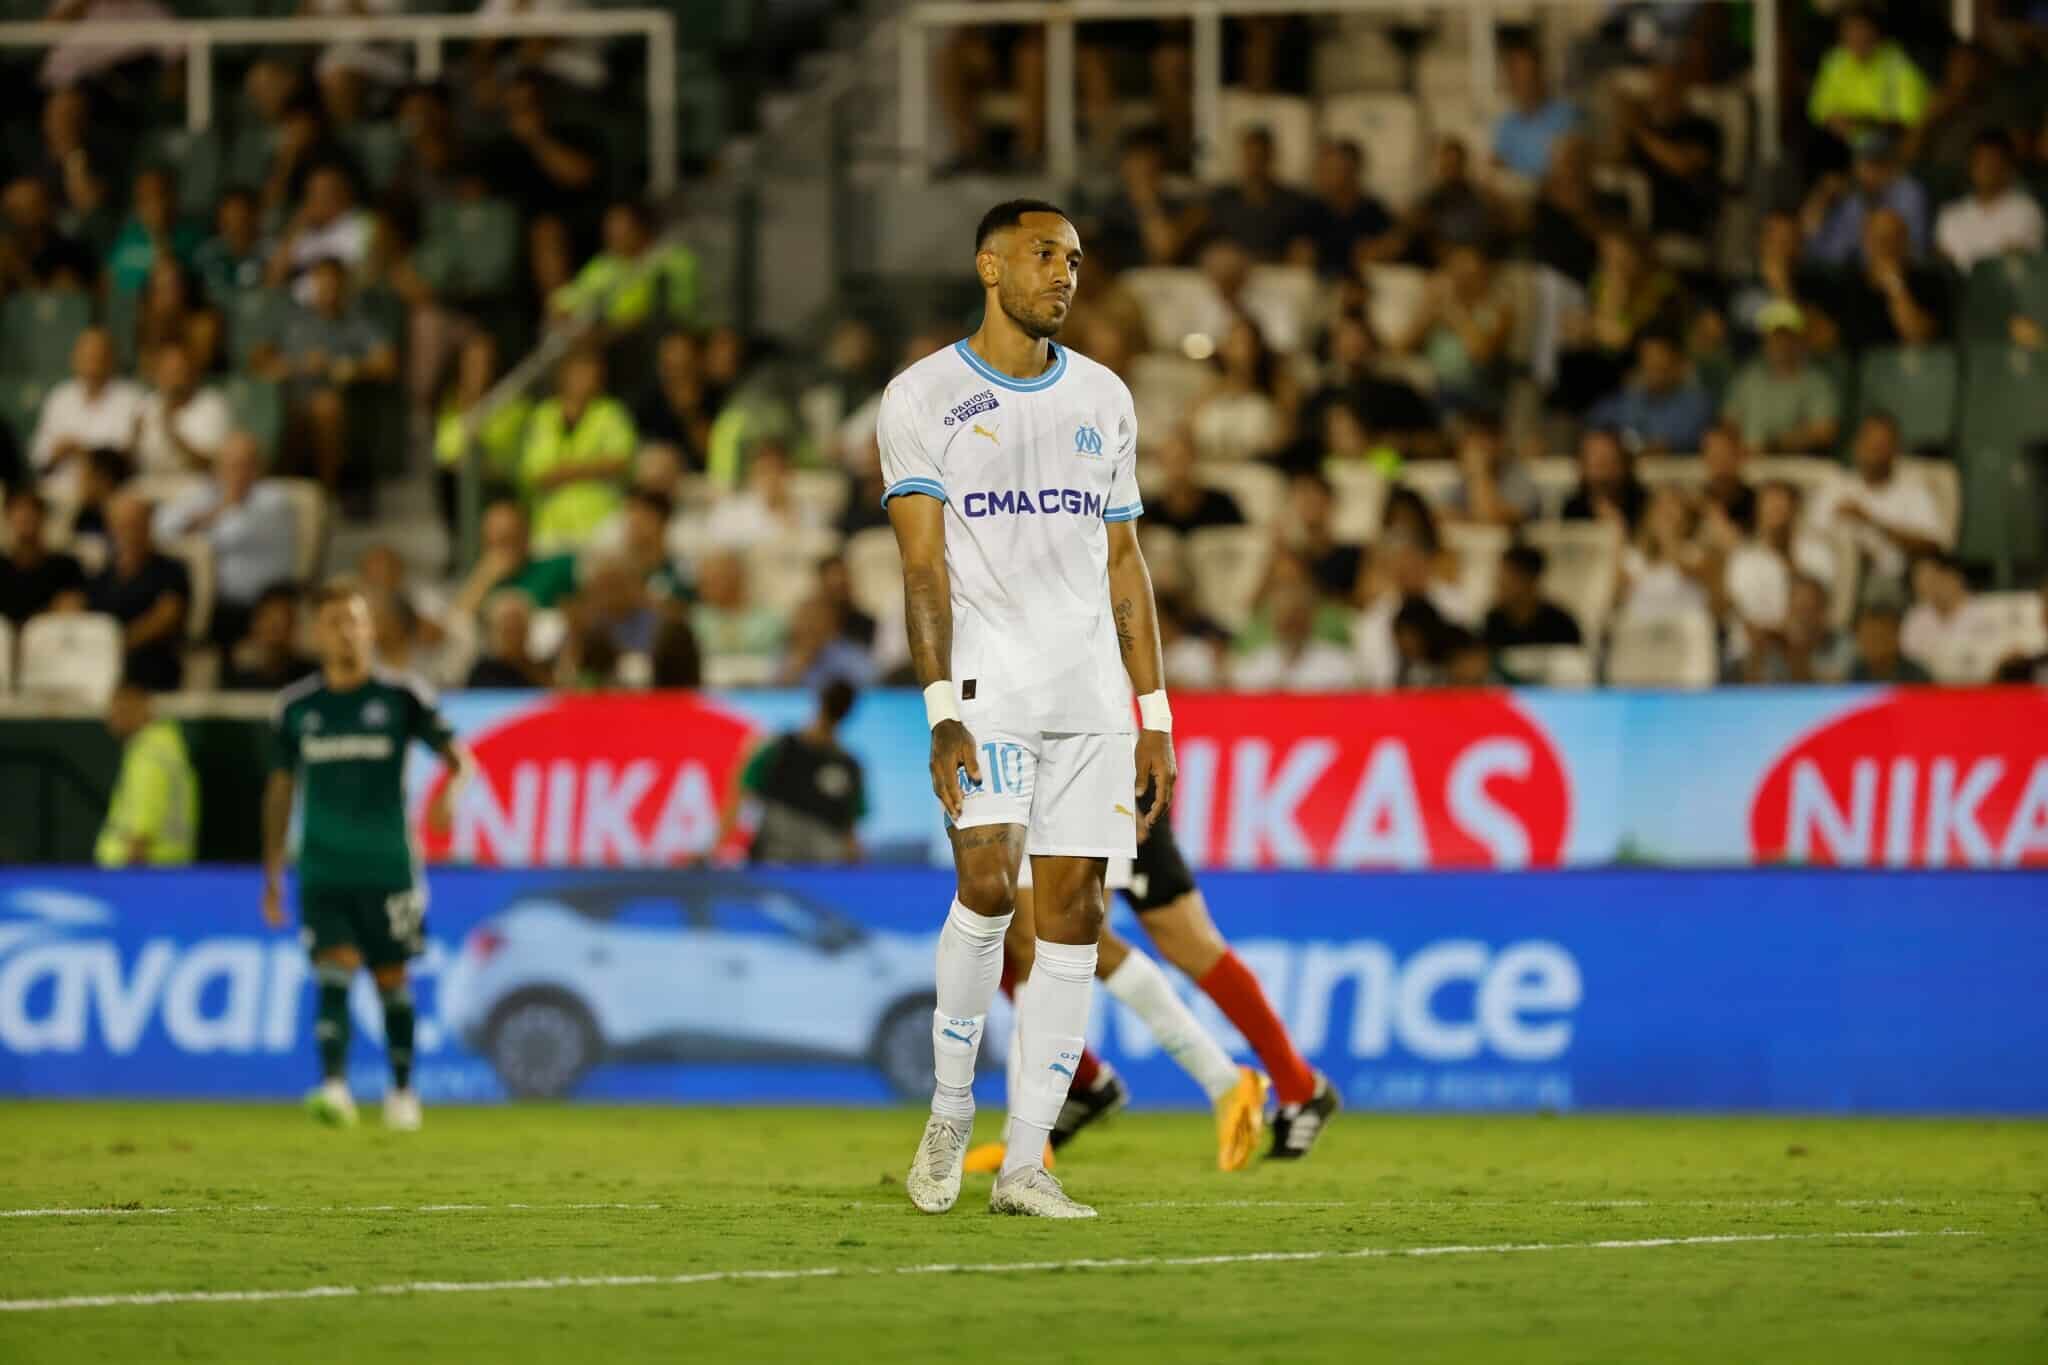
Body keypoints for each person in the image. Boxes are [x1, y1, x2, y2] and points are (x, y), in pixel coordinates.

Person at [883, 199, 1178, 1220]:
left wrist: (1155, 715)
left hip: (1091, 694)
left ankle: (1027, 1165)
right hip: (987, 688)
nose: (1065, 274)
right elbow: (920, 569)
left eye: (1076, 260)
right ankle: (950, 1110)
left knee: (1075, 915)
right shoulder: (921, 397)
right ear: (988, 264)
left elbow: (1124, 563)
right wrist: (938, 710)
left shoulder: (1104, 396)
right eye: (1045, 255)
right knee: (987, 884)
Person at [264, 578, 475, 1131]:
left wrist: (448, 797)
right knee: (333, 971)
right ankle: (334, 1088)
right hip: (323, 865)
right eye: (333, 621)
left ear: (371, 629)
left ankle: (403, 1093)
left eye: (354, 620)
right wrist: (270, 873)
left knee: (390, 977)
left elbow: (460, 758)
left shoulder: (401, 696)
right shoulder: (296, 709)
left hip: (388, 865)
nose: (345, 631)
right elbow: (282, 790)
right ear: (316, 634)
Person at [253, 257, 398, 497]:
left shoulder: (356, 322)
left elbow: (387, 363)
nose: (328, 289)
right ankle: (276, 491)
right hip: (287, 399)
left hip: (335, 404)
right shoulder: (293, 318)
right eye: (322, 282)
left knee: (326, 407)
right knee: (274, 412)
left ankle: (325, 494)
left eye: (334, 282)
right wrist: (298, 365)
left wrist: (347, 366)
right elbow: (258, 359)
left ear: (345, 286)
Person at [153, 431, 298, 647]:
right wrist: (220, 509)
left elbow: (234, 534)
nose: (238, 472)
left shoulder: (273, 500)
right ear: (217, 467)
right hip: (209, 602)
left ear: (259, 467)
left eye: (246, 464)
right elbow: (163, 527)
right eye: (230, 464)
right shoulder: (205, 493)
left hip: (258, 604)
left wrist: (205, 518)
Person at [712, 678, 869, 865]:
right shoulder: (780, 748)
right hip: (774, 863)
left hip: (820, 870)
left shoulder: (849, 766)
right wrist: (714, 850)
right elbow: (740, 797)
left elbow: (849, 832)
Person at [1807, 411, 1947, 592]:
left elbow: (1933, 545)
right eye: (1869, 442)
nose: (1873, 450)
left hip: (1886, 578)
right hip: (1829, 574)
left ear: (1896, 449)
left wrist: (1869, 520)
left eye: (1881, 444)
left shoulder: (1913, 490)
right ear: (1856, 445)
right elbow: (1812, 533)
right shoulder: (1836, 485)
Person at [519, 347, 636, 552]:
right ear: (564, 376)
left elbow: (620, 463)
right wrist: (592, 468)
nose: (588, 378)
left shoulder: (611, 412)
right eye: (580, 372)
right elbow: (536, 474)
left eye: (593, 372)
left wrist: (564, 471)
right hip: (551, 526)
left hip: (601, 521)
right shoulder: (543, 415)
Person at [548, 198, 700, 332]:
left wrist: (626, 322)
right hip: (607, 337)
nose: (612, 233)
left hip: (655, 334)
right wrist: (560, 305)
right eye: (609, 226)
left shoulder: (675, 260)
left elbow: (682, 310)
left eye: (619, 226)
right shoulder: (604, 265)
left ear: (641, 226)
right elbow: (576, 294)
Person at [88, 492, 189, 692]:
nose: (129, 531)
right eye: (122, 525)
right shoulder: (100, 577)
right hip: (102, 669)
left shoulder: (172, 570)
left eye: (136, 523)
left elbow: (167, 616)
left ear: (149, 525)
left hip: (152, 667)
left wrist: (118, 643)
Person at [29, 328, 145, 501]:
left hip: (112, 494)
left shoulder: (132, 398)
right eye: (86, 355)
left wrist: (80, 451)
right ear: (74, 359)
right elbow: (39, 458)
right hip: (60, 491)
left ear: (112, 359)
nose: (93, 361)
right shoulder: (60, 397)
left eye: (99, 355)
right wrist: (57, 453)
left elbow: (125, 457)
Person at [94, 681, 198, 868]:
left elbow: (145, 815)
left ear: (142, 708)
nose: (113, 720)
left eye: (121, 711)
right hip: (167, 866)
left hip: (144, 867)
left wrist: (135, 867)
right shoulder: (167, 746)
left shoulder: (148, 753)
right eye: (111, 712)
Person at [1719, 302, 1840, 455]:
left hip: (1795, 467)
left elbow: (1825, 432)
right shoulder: (1748, 377)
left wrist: (1774, 445)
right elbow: (1728, 423)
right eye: (1774, 336)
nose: (1781, 343)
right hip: (1748, 464)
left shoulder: (1816, 381)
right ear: (1765, 340)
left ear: (1799, 339)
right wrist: (1738, 449)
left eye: (1787, 336)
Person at [1818, 208, 1946, 351]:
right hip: (1859, 369)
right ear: (1865, 243)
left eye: (1893, 239)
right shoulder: (1846, 287)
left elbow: (1918, 336)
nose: (1885, 247)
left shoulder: (1929, 283)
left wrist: (1895, 286)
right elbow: (1829, 341)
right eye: (1878, 239)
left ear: (1906, 243)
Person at [1803, 130, 1928, 268]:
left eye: (1873, 164)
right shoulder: (1854, 199)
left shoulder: (1908, 193)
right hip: (1857, 278)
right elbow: (1830, 256)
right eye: (1860, 164)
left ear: (1888, 166)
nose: (1864, 172)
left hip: (1901, 272)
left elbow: (1915, 251)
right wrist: (1820, 205)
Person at [1934, 130, 2044, 275]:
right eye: (1979, 161)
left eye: (1992, 161)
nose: (1985, 168)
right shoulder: (1950, 215)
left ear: (2008, 167)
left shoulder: (2026, 211)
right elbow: (1944, 264)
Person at [1586, 331, 1715, 454]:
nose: (1654, 371)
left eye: (1662, 366)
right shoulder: (1625, 401)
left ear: (1679, 365)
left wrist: (1657, 447)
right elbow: (1595, 425)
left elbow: (1688, 439)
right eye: (1649, 363)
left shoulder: (1697, 404)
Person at [450, 499, 578, 620]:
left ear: (525, 536)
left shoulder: (557, 568)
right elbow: (454, 624)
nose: (504, 550)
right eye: (495, 542)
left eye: (510, 539)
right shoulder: (482, 585)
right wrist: (483, 579)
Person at [1204, 126, 1315, 263]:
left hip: (1279, 276)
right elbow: (1213, 246)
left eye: (1259, 157)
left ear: (1270, 157)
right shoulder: (1224, 201)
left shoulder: (1293, 203)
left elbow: (1301, 248)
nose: (1255, 165)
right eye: (1250, 157)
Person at [1230, 579, 1357, 690]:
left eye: (1295, 618)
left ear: (1309, 619)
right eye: (1284, 618)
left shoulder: (1339, 666)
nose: (1290, 626)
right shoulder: (1255, 666)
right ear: (1274, 621)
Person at [135, 341, 232, 475]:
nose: (173, 378)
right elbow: (131, 463)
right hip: (149, 481)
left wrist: (174, 436)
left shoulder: (212, 405)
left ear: (193, 372)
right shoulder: (146, 405)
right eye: (167, 370)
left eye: (179, 370)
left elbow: (213, 465)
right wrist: (133, 439)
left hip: (196, 483)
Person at [1492, 42, 1578, 181]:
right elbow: (1497, 166)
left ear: (1541, 74)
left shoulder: (1567, 115)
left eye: (1527, 74)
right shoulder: (1506, 125)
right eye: (1515, 76)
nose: (1522, 81)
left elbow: (1568, 169)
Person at [0, 488, 87, 626]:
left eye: (31, 515)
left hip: (52, 639)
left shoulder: (65, 566)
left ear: (43, 518)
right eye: (19, 515)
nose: (25, 520)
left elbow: (73, 606)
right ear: (8, 518)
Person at [1483, 544, 1582, 649]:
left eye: (1506, 579)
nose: (1498, 585)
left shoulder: (1561, 625)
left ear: (1530, 580)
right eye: (1498, 578)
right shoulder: (1493, 622)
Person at [222, 584, 318, 691]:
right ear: (255, 622)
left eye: (282, 621)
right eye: (268, 619)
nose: (272, 630)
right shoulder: (232, 670)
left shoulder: (311, 677)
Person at [1562, 427, 1648, 532]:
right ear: (1582, 467)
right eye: (1597, 464)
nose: (1604, 472)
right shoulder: (1573, 509)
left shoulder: (1644, 505)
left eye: (1611, 461)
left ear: (1625, 464)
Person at [465, 587, 546, 689]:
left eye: (518, 627)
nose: (514, 636)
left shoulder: (540, 670)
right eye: (508, 629)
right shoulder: (483, 673)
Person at [1847, 599, 1931, 683]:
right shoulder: (1853, 677)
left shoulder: (1917, 678)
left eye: (1880, 637)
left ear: (1896, 637)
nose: (1875, 645)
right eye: (1869, 637)